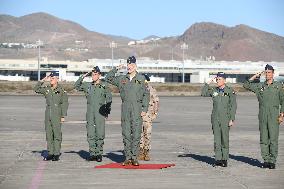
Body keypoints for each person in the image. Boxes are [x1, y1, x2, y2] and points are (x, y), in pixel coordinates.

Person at [105, 56, 150, 166]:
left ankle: (134, 157)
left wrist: (144, 109)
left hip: (137, 108)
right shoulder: (122, 79)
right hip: (125, 109)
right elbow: (108, 78)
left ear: (135, 66)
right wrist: (116, 68)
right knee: (126, 134)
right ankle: (127, 157)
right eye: (128, 65)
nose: (129, 67)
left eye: (131, 65)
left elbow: (146, 94)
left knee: (136, 134)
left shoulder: (141, 79)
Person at [243, 64, 284, 169]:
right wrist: (255, 76)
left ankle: (272, 161)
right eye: (265, 72)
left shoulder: (279, 86)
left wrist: (282, 115)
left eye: (269, 72)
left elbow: (283, 101)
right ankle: (266, 160)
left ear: (273, 73)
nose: (267, 74)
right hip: (262, 115)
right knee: (264, 139)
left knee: (273, 139)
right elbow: (246, 85)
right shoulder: (260, 86)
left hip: (274, 115)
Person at [74, 66, 112, 162]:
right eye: (92, 74)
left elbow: (109, 99)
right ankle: (92, 153)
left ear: (99, 75)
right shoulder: (88, 85)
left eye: (95, 74)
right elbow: (76, 86)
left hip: (100, 112)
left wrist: (107, 111)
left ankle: (99, 153)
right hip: (90, 111)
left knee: (99, 133)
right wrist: (83, 75)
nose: (93, 76)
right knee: (90, 133)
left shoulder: (104, 86)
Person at [201, 72, 237, 167]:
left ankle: (224, 159)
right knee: (217, 139)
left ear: (224, 80)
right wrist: (207, 83)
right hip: (215, 118)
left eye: (219, 79)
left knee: (224, 139)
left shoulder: (230, 91)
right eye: (217, 79)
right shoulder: (214, 90)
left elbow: (233, 105)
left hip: (225, 118)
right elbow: (203, 93)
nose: (217, 81)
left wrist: (232, 119)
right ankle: (218, 159)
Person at [34, 71, 69, 161]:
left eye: (53, 78)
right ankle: (50, 152)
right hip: (48, 114)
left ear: (57, 79)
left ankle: (56, 153)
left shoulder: (61, 91)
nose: (51, 80)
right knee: (49, 134)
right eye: (50, 78)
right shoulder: (47, 89)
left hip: (57, 114)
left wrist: (63, 115)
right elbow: (36, 89)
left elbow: (64, 103)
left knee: (56, 134)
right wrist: (42, 80)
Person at [139, 74, 159, 161]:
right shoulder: (138, 89)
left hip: (148, 115)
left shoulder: (151, 89)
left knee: (147, 134)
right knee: (139, 135)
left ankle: (146, 152)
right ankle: (140, 151)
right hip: (139, 115)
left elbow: (156, 102)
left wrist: (155, 113)